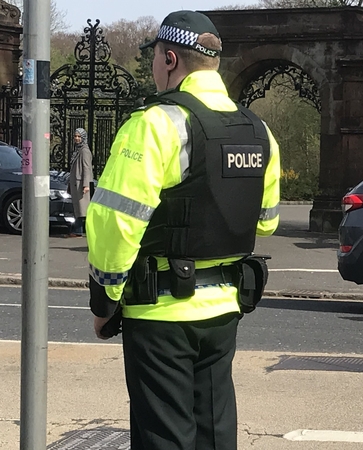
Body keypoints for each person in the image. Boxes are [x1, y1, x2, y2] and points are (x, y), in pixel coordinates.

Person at [86, 10, 281, 450]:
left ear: (169, 58)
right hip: (224, 309)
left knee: (165, 437)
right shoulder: (258, 130)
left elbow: (115, 223)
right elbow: (266, 223)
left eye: (154, 57)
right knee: (214, 435)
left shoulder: (155, 124)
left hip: (160, 316)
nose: (154, 67)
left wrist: (104, 302)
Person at [67, 127, 93, 237]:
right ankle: (79, 230)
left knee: (82, 209)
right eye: (75, 136)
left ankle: (78, 231)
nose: (77, 138)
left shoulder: (84, 151)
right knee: (79, 208)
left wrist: (86, 185)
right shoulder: (78, 150)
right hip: (76, 183)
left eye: (79, 136)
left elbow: (87, 168)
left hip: (81, 184)